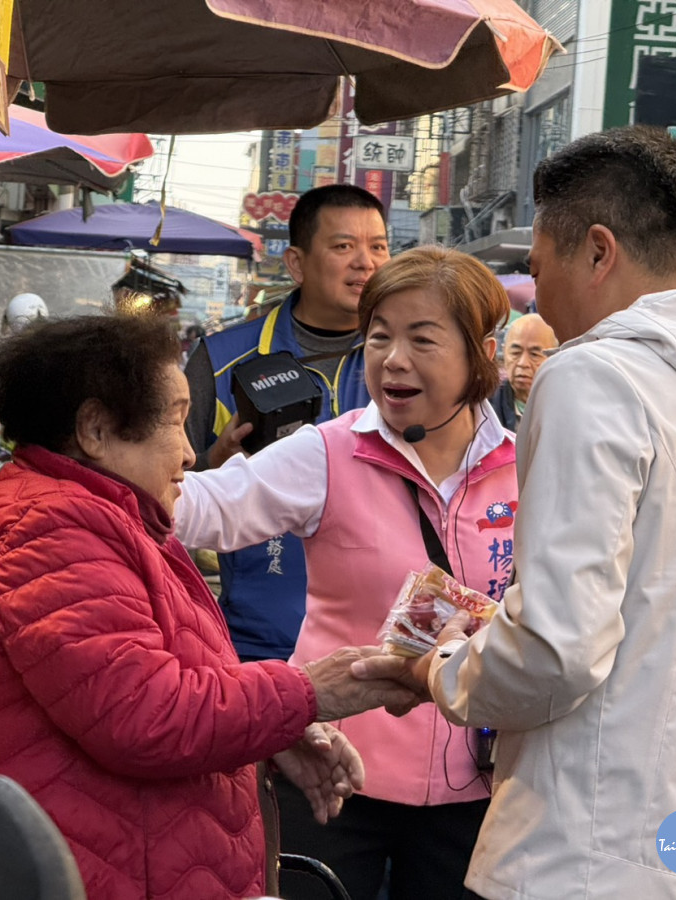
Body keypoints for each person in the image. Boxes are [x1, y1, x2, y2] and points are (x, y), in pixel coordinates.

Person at [354, 126, 676, 897]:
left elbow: (557, 650)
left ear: (598, 251)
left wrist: (442, 669)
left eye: (541, 270)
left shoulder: (596, 376)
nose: (541, 300)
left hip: (592, 857)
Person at [0, 314, 419, 900]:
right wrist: (311, 689)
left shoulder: (109, 518)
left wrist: (274, 733)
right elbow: (147, 714)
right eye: (175, 421)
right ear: (96, 429)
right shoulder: (48, 532)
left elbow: (164, 680)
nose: (189, 453)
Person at [177, 246, 516, 900]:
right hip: (333, 778)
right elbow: (198, 509)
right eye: (379, 336)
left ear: (485, 353)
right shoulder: (327, 452)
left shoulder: (530, 464)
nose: (392, 359)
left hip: (483, 789)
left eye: (422, 339)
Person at [182, 184, 391, 663]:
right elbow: (161, 498)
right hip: (257, 646)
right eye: (344, 246)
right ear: (296, 263)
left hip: (380, 649)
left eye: (378, 246)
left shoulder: (407, 365)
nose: (366, 262)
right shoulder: (221, 361)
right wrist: (218, 467)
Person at [489, 313, 557, 430]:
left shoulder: (567, 405)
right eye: (515, 353)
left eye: (534, 354)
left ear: (554, 357)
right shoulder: (486, 406)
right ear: (504, 352)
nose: (522, 363)